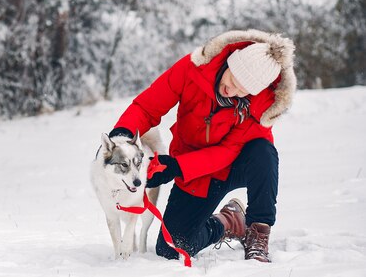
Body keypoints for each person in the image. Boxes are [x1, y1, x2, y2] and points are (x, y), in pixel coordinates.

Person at [109, 29, 296, 263]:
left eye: (243, 90)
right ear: (230, 62)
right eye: (233, 80)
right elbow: (147, 107)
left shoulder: (261, 106)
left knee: (263, 152)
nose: (232, 91)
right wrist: (122, 133)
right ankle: (229, 221)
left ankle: (258, 231)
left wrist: (177, 167)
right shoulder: (192, 68)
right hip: (198, 171)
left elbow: (227, 152)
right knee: (172, 249)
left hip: (237, 164)